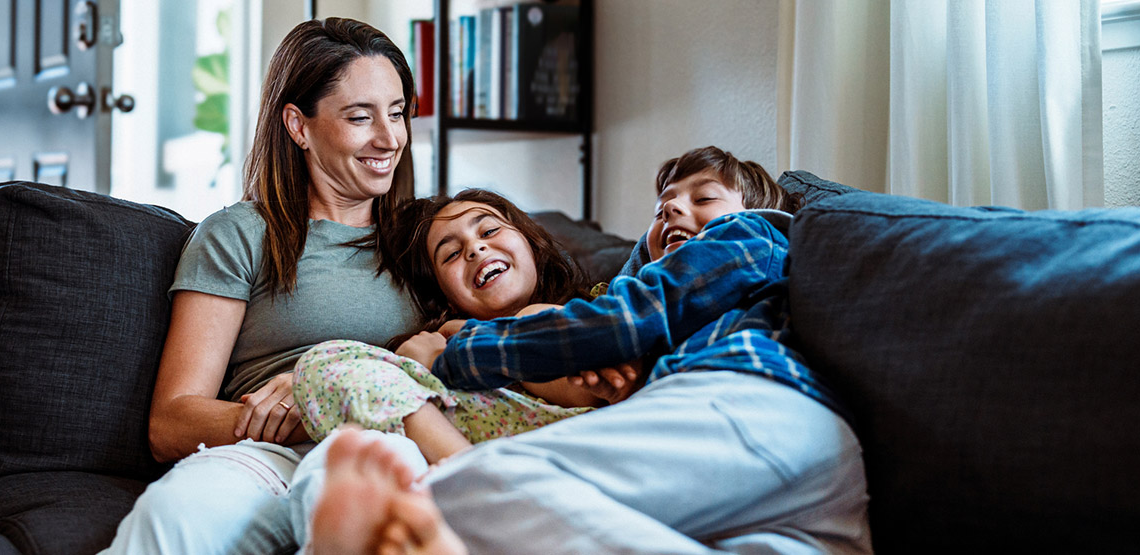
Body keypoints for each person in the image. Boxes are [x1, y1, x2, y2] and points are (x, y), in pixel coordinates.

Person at [304, 146, 871, 554]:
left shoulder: (750, 236)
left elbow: (621, 321)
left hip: (752, 404)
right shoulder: (658, 302)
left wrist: (450, 354)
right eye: (662, 205)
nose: (673, 209)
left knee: (469, 486)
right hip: (790, 484)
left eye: (703, 197)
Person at [103, 17, 428, 554]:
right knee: (171, 518)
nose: (389, 138)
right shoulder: (239, 234)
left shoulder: (427, 238)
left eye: (397, 113)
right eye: (359, 117)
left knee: (360, 507)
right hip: (259, 452)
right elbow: (171, 420)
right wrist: (300, 412)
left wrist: (333, 399)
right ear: (298, 125)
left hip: (379, 441)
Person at [291, 189, 639, 464]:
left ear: (531, 244)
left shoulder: (604, 302)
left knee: (531, 317)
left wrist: (463, 347)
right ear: (445, 297)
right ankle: (468, 471)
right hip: (482, 454)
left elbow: (592, 384)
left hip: (576, 443)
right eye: (451, 254)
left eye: (488, 230)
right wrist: (422, 363)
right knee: (324, 361)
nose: (475, 248)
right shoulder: (430, 353)